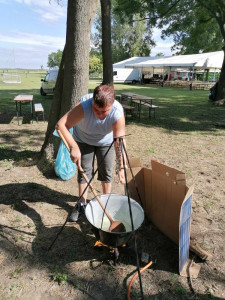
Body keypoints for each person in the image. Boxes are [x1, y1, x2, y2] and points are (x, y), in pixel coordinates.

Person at [56, 84, 126, 222]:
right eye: (96, 110)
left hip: (106, 142)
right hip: (83, 140)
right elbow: (60, 125)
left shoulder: (117, 112)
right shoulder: (84, 106)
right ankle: (82, 204)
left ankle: (106, 204)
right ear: (92, 102)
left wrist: (121, 166)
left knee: (106, 171)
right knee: (84, 172)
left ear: (111, 105)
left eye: (104, 111)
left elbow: (119, 142)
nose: (99, 115)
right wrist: (73, 147)